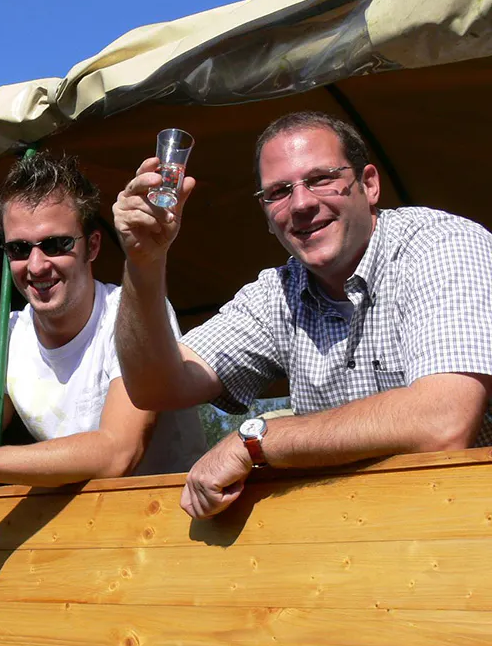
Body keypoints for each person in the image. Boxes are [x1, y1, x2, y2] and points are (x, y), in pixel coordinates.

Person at [112, 110, 492, 519]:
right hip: (359, 536)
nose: (301, 204)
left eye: (321, 178)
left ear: (369, 184)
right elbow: (156, 388)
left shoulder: (442, 245)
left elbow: (443, 423)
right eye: (278, 192)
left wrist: (257, 441)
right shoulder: (278, 292)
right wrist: (144, 263)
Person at [0, 151, 205, 514]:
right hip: (80, 534)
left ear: (92, 246)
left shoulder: (135, 314)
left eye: (56, 245)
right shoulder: (4, 336)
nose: (37, 265)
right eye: (19, 249)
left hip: (171, 523)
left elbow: (117, 454)